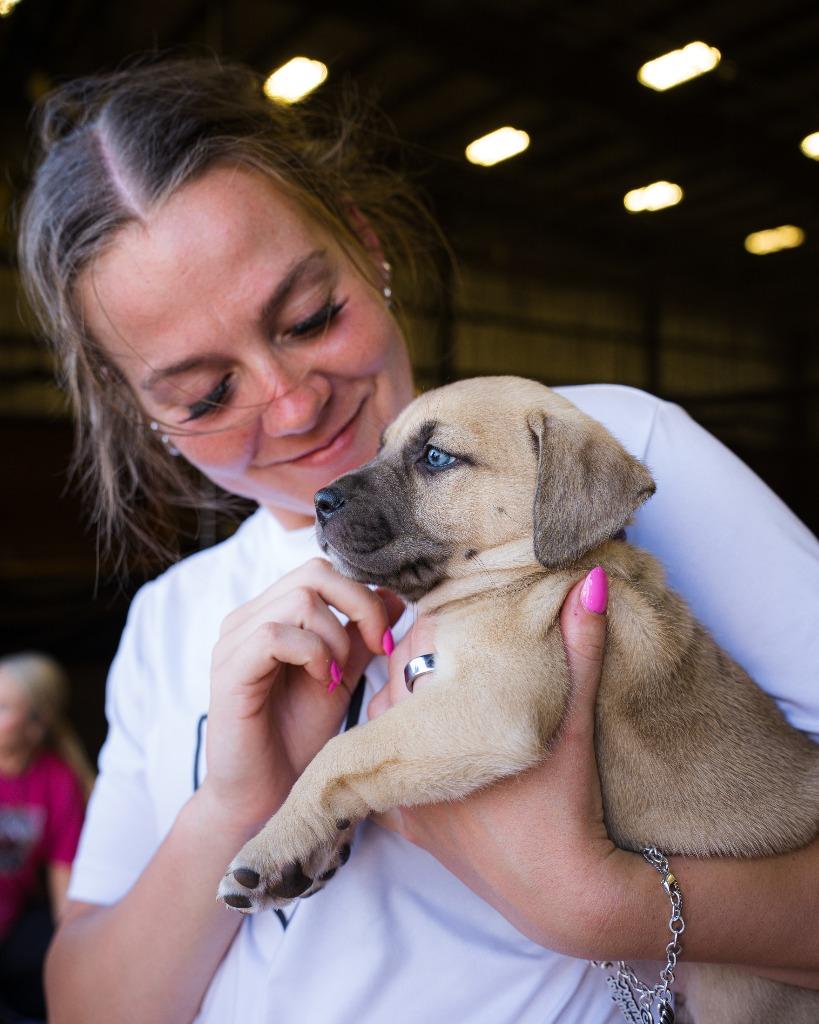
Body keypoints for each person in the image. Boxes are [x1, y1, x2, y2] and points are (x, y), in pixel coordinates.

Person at [16, 58, 819, 1024]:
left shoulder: (604, 452)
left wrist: (602, 906)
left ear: (366, 248)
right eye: (205, 394)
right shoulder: (168, 618)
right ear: (136, 408)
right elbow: (85, 1007)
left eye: (312, 317)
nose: (294, 401)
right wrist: (236, 802)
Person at [0, 652, 93, 1022]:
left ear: (37, 725)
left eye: (3, 707)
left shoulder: (57, 781)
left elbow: (65, 895)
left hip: (12, 927)